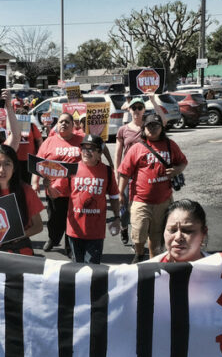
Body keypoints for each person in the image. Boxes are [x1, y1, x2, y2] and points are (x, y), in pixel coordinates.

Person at [118, 114, 188, 263]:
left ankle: (153, 262)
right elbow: (124, 172)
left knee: (157, 234)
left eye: (156, 125)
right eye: (149, 126)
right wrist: (120, 194)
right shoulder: (137, 148)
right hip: (140, 200)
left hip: (163, 201)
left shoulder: (170, 145)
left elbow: (183, 162)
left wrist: (177, 170)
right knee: (139, 231)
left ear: (162, 128)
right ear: (144, 129)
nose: (153, 128)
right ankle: (138, 254)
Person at [0, 144, 44, 255]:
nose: (2, 170)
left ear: (14, 167)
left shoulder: (26, 191)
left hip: (22, 253)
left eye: (7, 164)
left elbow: (38, 226)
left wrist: (19, 235)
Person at [32, 112, 83, 254]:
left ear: (73, 125)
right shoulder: (49, 141)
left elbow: (98, 150)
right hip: (54, 189)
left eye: (67, 122)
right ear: (57, 124)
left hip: (76, 189)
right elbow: (38, 163)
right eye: (61, 121)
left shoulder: (82, 139)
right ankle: (53, 239)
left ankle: (69, 246)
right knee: (54, 218)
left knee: (72, 219)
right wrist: (35, 182)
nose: (64, 124)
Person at [66, 134, 121, 264]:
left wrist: (117, 218)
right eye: (84, 148)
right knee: (77, 269)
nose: (86, 152)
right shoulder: (72, 168)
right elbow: (58, 192)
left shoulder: (107, 171)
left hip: (96, 232)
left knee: (92, 270)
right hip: (75, 230)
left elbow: (114, 197)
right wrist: (48, 185)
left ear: (99, 153)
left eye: (91, 149)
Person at [114, 96, 146, 245]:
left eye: (140, 107)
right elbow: (118, 153)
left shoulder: (148, 128)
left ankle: (137, 236)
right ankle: (124, 227)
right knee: (124, 204)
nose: (137, 110)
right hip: (126, 174)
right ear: (129, 109)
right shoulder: (123, 130)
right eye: (134, 107)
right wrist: (116, 173)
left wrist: (152, 100)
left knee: (139, 205)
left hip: (143, 173)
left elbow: (163, 122)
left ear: (144, 110)